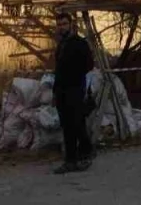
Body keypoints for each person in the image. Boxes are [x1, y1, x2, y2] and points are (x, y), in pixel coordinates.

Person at [52, 11, 94, 174]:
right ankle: (70, 161)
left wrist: (75, 74)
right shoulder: (61, 45)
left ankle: (85, 154)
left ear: (70, 25)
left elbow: (89, 65)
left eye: (64, 24)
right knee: (67, 127)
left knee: (77, 124)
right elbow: (58, 70)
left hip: (75, 90)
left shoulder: (79, 43)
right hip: (62, 91)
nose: (61, 27)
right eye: (59, 24)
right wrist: (55, 91)